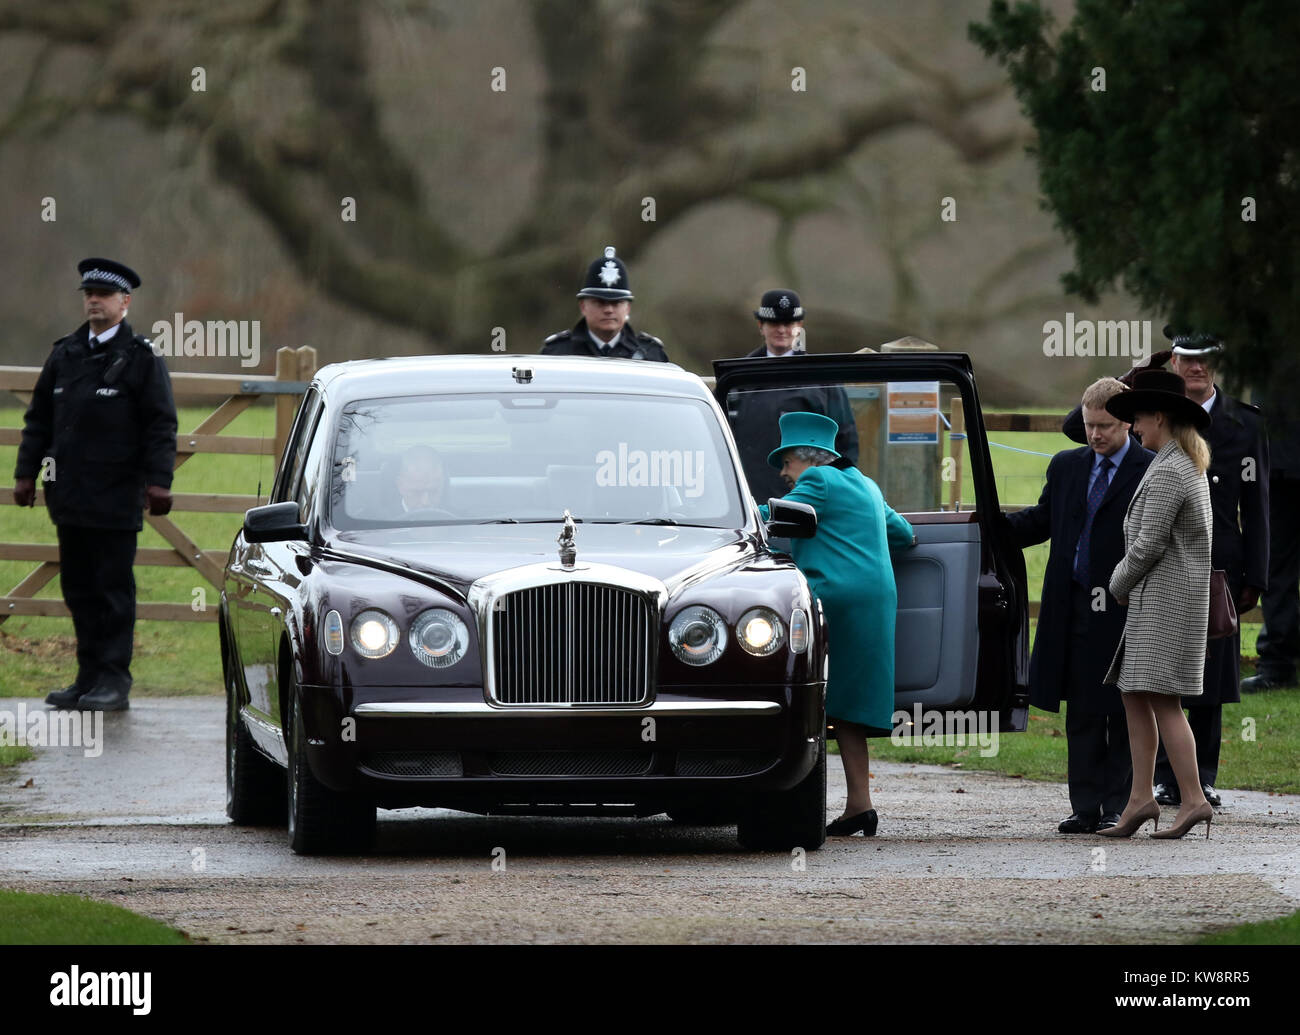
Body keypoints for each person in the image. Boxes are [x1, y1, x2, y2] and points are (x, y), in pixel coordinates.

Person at [1064, 329, 1269, 808]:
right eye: (1186, 359)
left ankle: (1198, 785)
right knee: (1160, 689)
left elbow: (1257, 507)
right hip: (1167, 575)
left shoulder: (1238, 425)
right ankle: (1156, 786)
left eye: (1205, 358)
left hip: (1210, 568)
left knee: (1203, 685)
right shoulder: (1160, 437)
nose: (1197, 367)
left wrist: (1255, 575)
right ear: (1174, 362)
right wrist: (1134, 378)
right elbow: (1084, 425)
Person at [13, 258, 178, 712]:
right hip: (68, 497)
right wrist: (26, 473)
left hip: (116, 497)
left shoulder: (141, 358)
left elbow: (160, 424)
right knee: (79, 589)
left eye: (103, 295)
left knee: (112, 591)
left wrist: (159, 482)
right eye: (88, 294)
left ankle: (113, 679)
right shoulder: (65, 354)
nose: (93, 301)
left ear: (125, 302)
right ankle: (86, 677)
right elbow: (39, 419)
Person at [1004, 378, 1153, 833]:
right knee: (1083, 707)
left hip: (1125, 603)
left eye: (1105, 426)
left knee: (1122, 705)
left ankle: (1118, 804)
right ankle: (1084, 805)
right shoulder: (1068, 466)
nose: (1094, 435)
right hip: (1072, 603)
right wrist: (988, 525)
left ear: (1127, 422)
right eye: (1088, 425)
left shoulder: (1149, 469)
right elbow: (1041, 521)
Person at [759, 412, 915, 836]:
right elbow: (903, 534)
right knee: (846, 709)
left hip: (836, 601)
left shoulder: (819, 482)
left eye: (786, 461)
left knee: (808, 700)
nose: (783, 471)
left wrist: (734, 513)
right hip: (876, 601)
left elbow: (777, 517)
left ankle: (785, 801)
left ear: (806, 458)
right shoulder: (867, 484)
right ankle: (859, 806)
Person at [1098, 369, 1214, 839]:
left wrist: (1116, 581)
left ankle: (1193, 800)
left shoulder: (1171, 468)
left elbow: (1149, 543)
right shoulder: (1175, 460)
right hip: (1160, 602)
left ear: (1160, 417)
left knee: (1165, 700)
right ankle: (1140, 799)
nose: (1133, 427)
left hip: (1167, 604)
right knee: (1134, 693)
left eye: (1139, 418)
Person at [729, 289, 859, 503]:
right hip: (746, 498)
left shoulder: (823, 381)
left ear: (800, 327)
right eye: (774, 324)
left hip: (810, 500)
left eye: (789, 324)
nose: (781, 330)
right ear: (761, 326)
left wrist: (836, 493)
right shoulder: (737, 379)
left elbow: (845, 443)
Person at [1240, 380, 1299, 693]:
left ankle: (1278, 665)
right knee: (1277, 569)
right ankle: (1277, 664)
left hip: (1277, 459)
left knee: (1278, 569)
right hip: (1277, 463)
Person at [540, 246, 669, 361]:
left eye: (616, 303)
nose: (608, 310)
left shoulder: (652, 355)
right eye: (600, 302)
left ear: (628, 308)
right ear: (583, 306)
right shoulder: (557, 354)